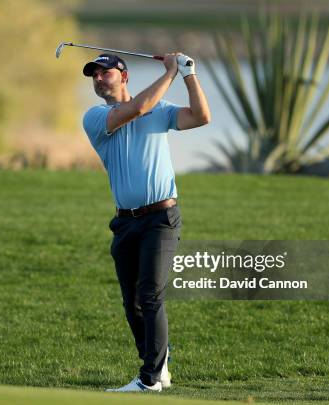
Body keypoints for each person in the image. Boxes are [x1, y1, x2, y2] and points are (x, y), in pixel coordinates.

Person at [82, 52, 211, 392]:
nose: (97, 79)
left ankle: (150, 379)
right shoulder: (95, 117)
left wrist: (188, 75)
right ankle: (158, 364)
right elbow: (137, 108)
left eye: (104, 73)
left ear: (123, 76)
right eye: (93, 75)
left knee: (151, 293)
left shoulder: (161, 108)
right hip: (125, 223)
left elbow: (201, 116)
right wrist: (170, 71)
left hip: (161, 218)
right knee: (133, 303)